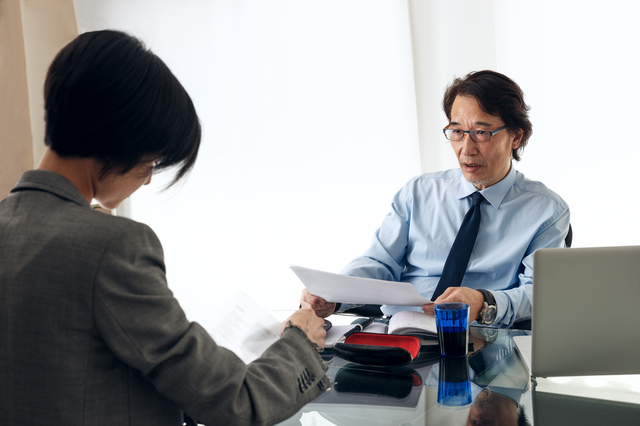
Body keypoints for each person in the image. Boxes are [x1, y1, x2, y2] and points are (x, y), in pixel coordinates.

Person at [0, 30, 329, 426]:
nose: (148, 180)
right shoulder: (110, 247)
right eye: (152, 162)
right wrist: (299, 341)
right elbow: (236, 403)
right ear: (119, 138)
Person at [301, 70, 570, 327]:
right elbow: (379, 263)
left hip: (480, 338)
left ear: (516, 136)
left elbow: (540, 294)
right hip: (399, 334)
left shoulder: (546, 211)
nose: (466, 149)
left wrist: (485, 302)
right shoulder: (418, 192)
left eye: (481, 132)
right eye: (457, 131)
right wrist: (334, 293)